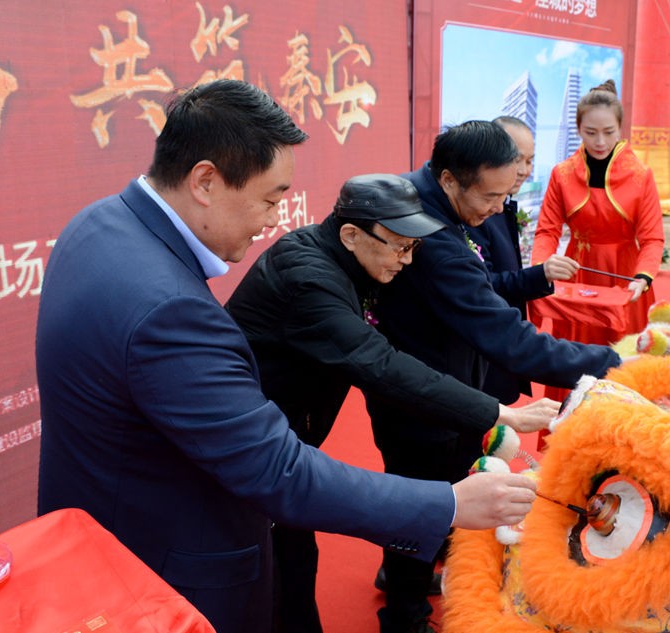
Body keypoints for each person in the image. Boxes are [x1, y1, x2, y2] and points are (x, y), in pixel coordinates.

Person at [34, 80, 538, 633]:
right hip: (165, 564)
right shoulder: (172, 311)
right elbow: (279, 469)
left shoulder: (98, 224)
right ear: (205, 181)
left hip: (98, 532)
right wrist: (447, 504)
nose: (274, 219)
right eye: (270, 199)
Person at [225, 173, 559, 633]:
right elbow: (380, 364)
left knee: (295, 562)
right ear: (351, 234)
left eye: (413, 247)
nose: (407, 259)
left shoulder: (349, 259)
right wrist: (499, 412)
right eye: (400, 247)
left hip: (287, 438)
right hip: (250, 451)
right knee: (280, 576)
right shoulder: (309, 280)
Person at [367, 120, 623, 633]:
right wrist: (612, 362)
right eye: (490, 197)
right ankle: (404, 615)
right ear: (449, 179)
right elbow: (508, 336)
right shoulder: (433, 238)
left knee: (429, 498)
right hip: (423, 397)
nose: (496, 208)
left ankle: (406, 581)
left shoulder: (432, 198)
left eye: (507, 195)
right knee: (425, 500)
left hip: (440, 379)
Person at [530, 79, 664, 401]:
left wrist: (643, 276)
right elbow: (547, 230)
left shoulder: (640, 175)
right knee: (576, 356)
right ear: (578, 129)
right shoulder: (563, 174)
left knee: (624, 358)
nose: (600, 141)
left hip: (627, 278)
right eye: (590, 133)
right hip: (578, 272)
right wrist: (540, 269)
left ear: (620, 129)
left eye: (608, 132)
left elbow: (651, 238)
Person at [470, 115, 580, 404]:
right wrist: (540, 274)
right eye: (516, 159)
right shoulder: (476, 211)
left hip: (503, 340)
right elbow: (484, 284)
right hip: (484, 347)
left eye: (529, 161)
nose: (523, 170)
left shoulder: (502, 205)